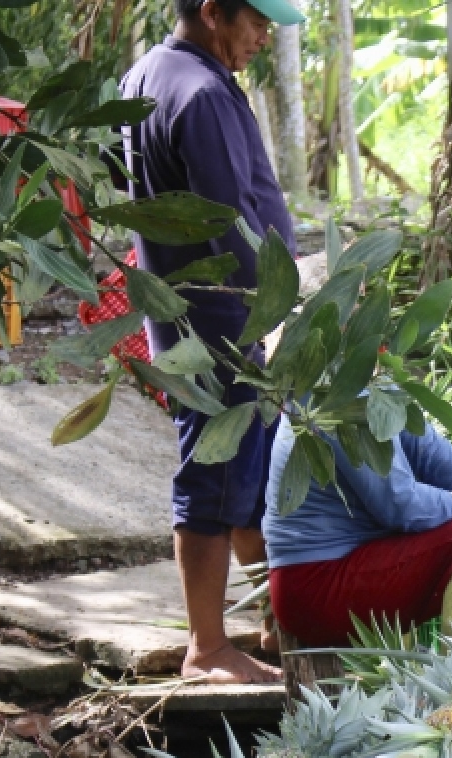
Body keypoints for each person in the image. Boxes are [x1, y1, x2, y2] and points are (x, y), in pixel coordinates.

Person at [117, 0, 304, 683]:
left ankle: (280, 618)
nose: (263, 36)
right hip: (225, 320)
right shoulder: (200, 93)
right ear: (211, 11)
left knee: (244, 480)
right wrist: (278, 314)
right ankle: (209, 647)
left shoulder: (147, 76)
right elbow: (233, 224)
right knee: (216, 475)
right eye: (255, 20)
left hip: (178, 311)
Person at [262, 420, 452, 647]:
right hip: (315, 587)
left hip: (339, 569)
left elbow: (429, 452)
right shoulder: (340, 399)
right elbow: (400, 505)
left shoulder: (370, 385)